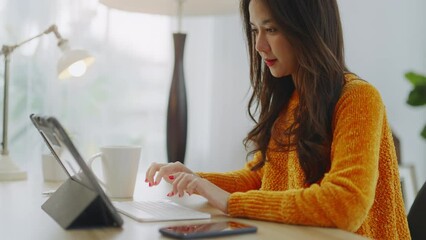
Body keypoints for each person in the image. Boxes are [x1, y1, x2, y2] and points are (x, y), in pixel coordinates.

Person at [145, 0, 411, 239]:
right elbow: (264, 176)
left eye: (271, 29)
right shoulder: (292, 98)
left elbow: (345, 205)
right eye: (254, 30)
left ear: (308, 29)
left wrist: (231, 202)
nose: (260, 45)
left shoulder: (358, 98)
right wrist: (197, 180)